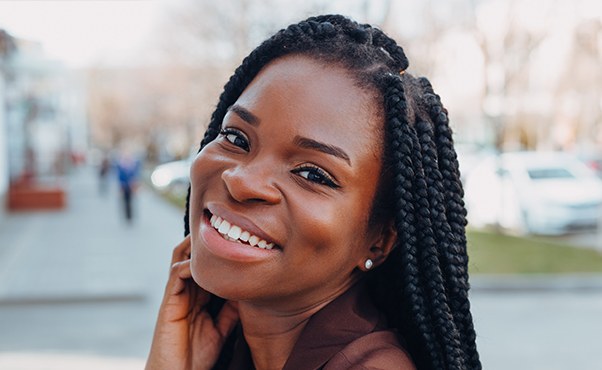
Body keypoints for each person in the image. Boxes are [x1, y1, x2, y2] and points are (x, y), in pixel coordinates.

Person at [147, 14, 481, 370]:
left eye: (312, 173)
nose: (242, 181)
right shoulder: (241, 348)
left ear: (379, 241)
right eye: (236, 138)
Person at [115, 149, 141, 222]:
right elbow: (119, 176)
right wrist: (121, 184)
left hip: (131, 185)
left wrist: (134, 182)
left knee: (131, 200)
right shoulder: (121, 165)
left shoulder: (133, 165)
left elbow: (136, 175)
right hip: (124, 186)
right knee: (125, 201)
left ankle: (130, 216)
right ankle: (127, 216)